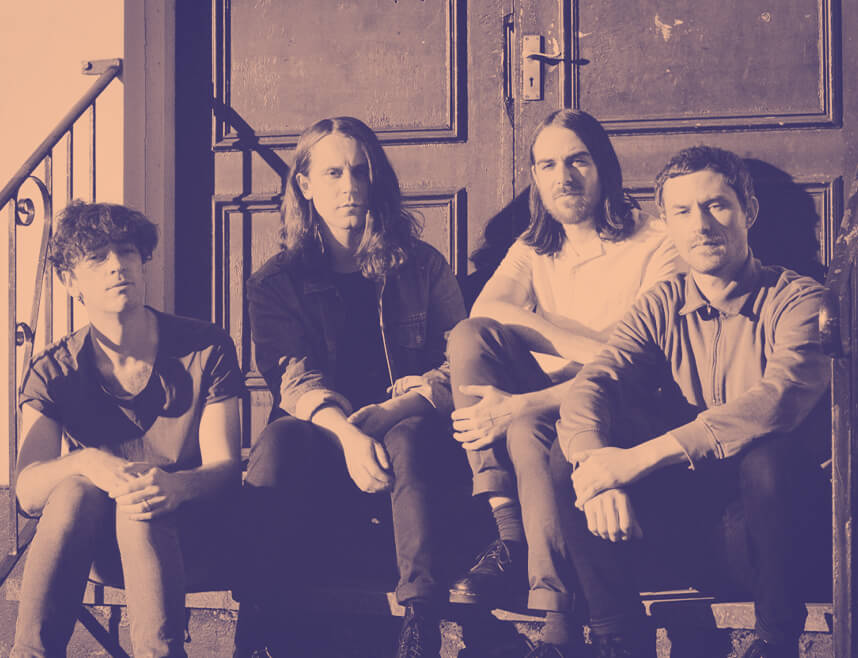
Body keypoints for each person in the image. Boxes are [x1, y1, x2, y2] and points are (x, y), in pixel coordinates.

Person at [553, 145, 830, 658]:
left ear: (749, 211)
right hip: (683, 531)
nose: (701, 225)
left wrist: (635, 460)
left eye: (716, 205)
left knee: (769, 459)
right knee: (570, 448)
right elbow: (596, 381)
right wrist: (597, 467)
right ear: (666, 223)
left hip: (773, 542)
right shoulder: (662, 303)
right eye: (682, 211)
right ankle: (618, 638)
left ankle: (775, 642)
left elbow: (777, 401)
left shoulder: (799, 301)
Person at [445, 109, 684, 656]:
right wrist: (593, 350)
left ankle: (556, 621)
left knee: (528, 425)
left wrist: (529, 400)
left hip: (624, 404)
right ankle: (507, 526)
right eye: (548, 165)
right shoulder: (534, 246)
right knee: (470, 336)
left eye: (577, 161)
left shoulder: (657, 241)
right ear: (534, 176)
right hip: (559, 391)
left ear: (604, 167)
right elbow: (489, 310)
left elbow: (643, 365)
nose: (563, 177)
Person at [236, 116, 468, 658]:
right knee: (277, 440)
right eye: (334, 173)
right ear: (304, 184)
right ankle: (257, 620)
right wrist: (348, 434)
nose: (350, 187)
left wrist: (395, 409)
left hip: (407, 430)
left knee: (408, 434)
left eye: (361, 172)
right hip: (326, 436)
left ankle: (420, 622)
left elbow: (460, 361)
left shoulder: (422, 266)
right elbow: (294, 379)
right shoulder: (276, 281)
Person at [11, 202, 244, 657]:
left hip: (192, 536)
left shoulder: (205, 347)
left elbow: (225, 469)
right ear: (70, 282)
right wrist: (88, 461)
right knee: (75, 487)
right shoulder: (54, 370)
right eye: (97, 257)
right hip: (97, 547)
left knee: (142, 498)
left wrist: (175, 486)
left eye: (126, 251)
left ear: (143, 261)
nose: (117, 265)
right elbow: (28, 492)